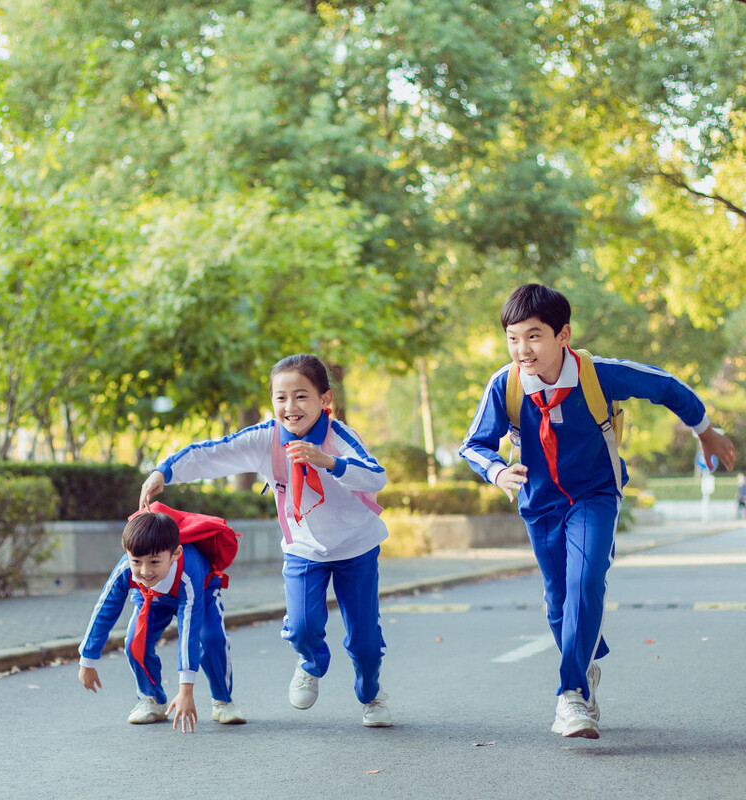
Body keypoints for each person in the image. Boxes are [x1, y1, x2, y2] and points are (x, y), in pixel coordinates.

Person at [459, 283, 737, 740]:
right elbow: (474, 444)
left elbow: (666, 386)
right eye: (512, 337)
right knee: (558, 600)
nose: (522, 348)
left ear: (562, 335)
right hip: (540, 503)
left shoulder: (598, 375)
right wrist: (495, 471)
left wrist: (703, 429)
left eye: (533, 335)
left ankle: (570, 696)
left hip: (595, 495)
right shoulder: (504, 385)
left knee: (585, 580)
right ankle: (584, 662)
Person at [139, 353, 393, 728]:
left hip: (356, 546)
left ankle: (371, 695)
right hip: (304, 550)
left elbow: (376, 477)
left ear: (325, 400)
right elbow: (213, 452)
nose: (290, 407)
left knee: (366, 640)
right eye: (281, 397)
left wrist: (328, 462)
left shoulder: (340, 437)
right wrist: (165, 471)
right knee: (303, 627)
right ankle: (310, 663)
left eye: (301, 396)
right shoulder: (265, 438)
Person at [78, 511, 245, 731]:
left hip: (199, 591)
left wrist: (186, 690)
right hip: (152, 597)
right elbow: (105, 608)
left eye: (154, 562)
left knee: (212, 638)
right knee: (135, 642)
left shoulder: (188, 572)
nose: (145, 571)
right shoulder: (127, 570)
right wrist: (87, 659)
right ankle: (151, 699)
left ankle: (223, 701)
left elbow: (189, 631)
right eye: (136, 561)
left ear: (175, 553)